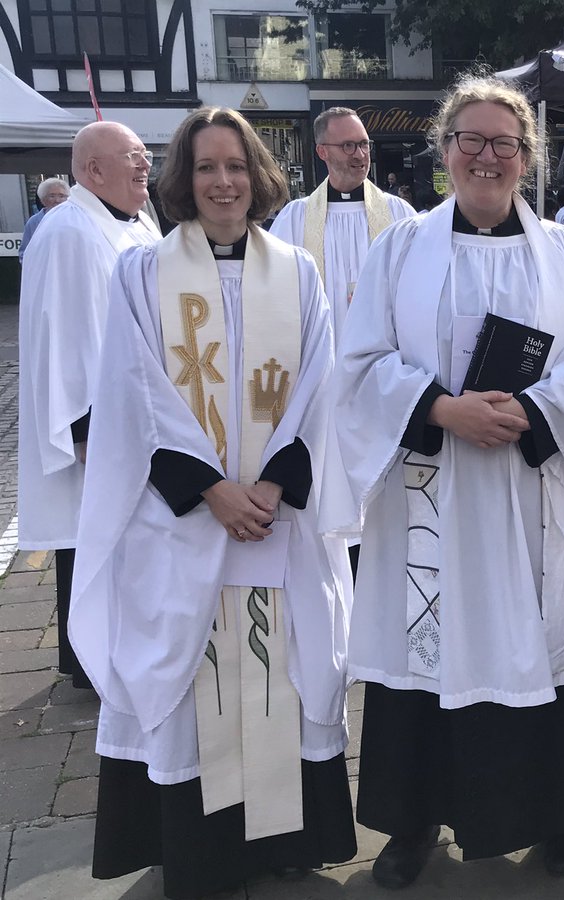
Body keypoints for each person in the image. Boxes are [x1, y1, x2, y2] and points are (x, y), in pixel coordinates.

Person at [334, 73, 564, 890]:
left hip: (535, 491)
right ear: (445, 150)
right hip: (433, 490)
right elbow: (358, 363)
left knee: (544, 645)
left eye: (504, 143)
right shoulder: (400, 250)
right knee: (428, 651)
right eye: (471, 139)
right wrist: (440, 408)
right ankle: (413, 822)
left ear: (527, 157)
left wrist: (532, 411)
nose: (486, 156)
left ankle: (559, 816)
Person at [68, 106, 356, 898]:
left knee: (283, 669)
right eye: (205, 167)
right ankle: (203, 854)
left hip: (276, 519)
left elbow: (320, 389)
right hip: (183, 522)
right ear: (183, 180)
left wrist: (272, 486)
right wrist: (212, 489)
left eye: (235, 165)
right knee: (191, 673)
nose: (223, 182)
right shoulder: (142, 273)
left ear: (256, 174)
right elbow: (133, 394)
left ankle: (284, 840)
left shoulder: (297, 272)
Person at [17, 123, 161, 691]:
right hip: (95, 429)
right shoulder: (70, 231)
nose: (145, 165)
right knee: (94, 542)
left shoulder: (135, 222)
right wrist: (85, 433)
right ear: (93, 170)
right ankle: (92, 664)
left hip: (135, 417)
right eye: (133, 156)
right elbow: (67, 339)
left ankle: (120, 654)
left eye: (145, 155)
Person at [270, 108, 415, 341]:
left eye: (364, 144)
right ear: (322, 151)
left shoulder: (399, 214)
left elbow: (419, 286)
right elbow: (276, 292)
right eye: (348, 146)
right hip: (320, 352)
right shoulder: (295, 218)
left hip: (384, 353)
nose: (360, 154)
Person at [18, 177, 70, 262]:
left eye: (61, 196)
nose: (57, 200)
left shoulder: (75, 219)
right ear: (42, 200)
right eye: (52, 196)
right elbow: (24, 253)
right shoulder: (34, 222)